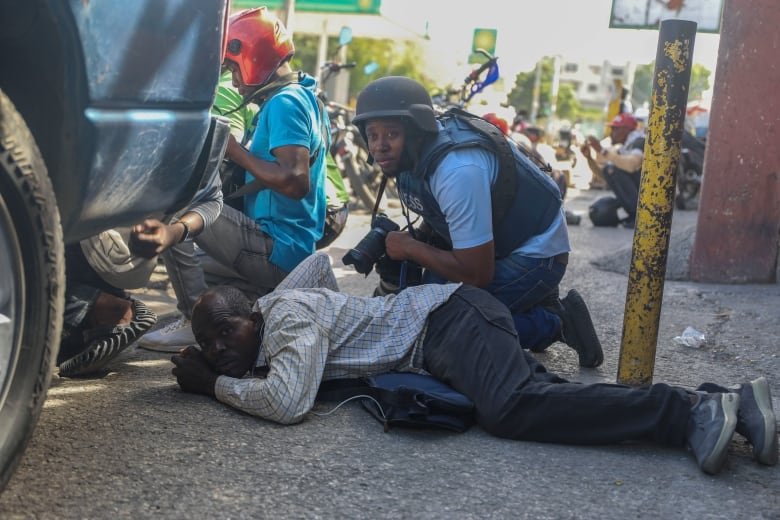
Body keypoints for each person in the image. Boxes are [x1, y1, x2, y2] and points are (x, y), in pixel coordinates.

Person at [171, 253, 778, 476]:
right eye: (210, 342)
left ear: (253, 314)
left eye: (227, 331)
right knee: (550, 400)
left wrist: (215, 382)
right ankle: (730, 403)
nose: (222, 346)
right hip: (449, 327)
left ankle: (688, 413)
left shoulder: (288, 320)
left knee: (513, 409)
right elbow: (320, 266)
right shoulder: (279, 304)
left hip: (450, 322)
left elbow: (286, 403)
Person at [348, 76, 603, 367]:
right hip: (497, 245)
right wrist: (417, 241)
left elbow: (476, 273)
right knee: (419, 306)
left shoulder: (457, 170)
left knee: (440, 331)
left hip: (536, 254)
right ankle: (528, 305)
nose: (380, 146)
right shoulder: (412, 157)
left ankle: (555, 321)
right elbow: (439, 214)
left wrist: (410, 249)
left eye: (391, 134)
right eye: (373, 135)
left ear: (417, 131)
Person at [136, 7, 329, 351]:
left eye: (232, 68)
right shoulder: (297, 96)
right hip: (284, 250)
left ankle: (196, 323)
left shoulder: (286, 103)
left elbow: (295, 182)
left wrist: (235, 151)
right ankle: (243, 302)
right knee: (195, 267)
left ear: (253, 57)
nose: (233, 79)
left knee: (178, 207)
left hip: (277, 248)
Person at [581, 113, 645, 228]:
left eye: (615, 129)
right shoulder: (624, 148)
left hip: (648, 194)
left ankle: (638, 217)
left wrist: (602, 150)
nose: (611, 133)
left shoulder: (639, 141)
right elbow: (605, 176)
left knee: (612, 169)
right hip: (639, 189)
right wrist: (589, 158)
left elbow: (631, 165)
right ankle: (634, 215)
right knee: (610, 170)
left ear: (626, 130)